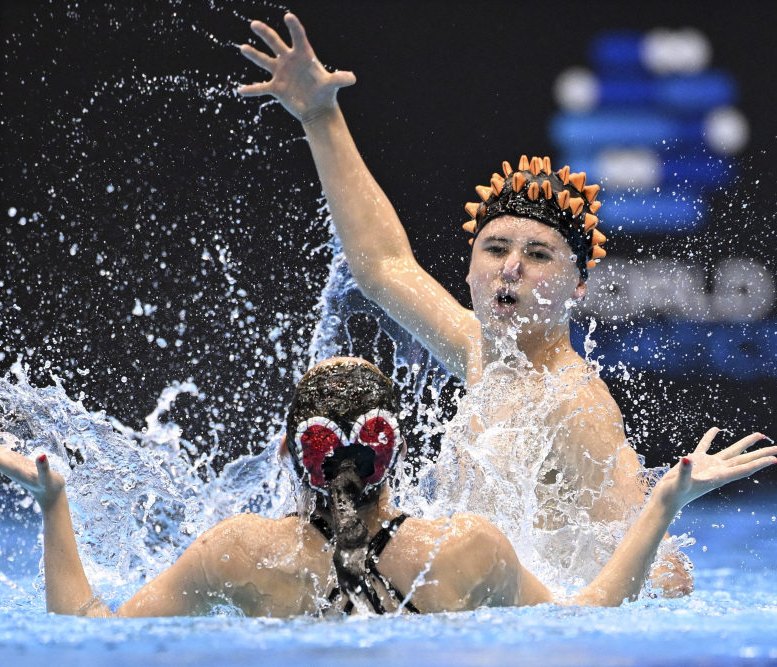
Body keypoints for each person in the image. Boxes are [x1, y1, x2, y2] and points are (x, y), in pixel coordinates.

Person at [236, 14, 695, 592]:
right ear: (472, 268)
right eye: (496, 248)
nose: (511, 267)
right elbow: (383, 266)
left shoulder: (576, 403)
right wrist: (320, 116)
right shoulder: (482, 352)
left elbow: (667, 579)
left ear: (580, 285)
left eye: (539, 255)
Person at [0, 357, 777, 617]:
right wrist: (663, 499)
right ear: (395, 450)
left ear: (286, 454)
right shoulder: (467, 548)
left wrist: (55, 503)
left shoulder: (238, 550)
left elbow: (90, 632)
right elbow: (593, 614)